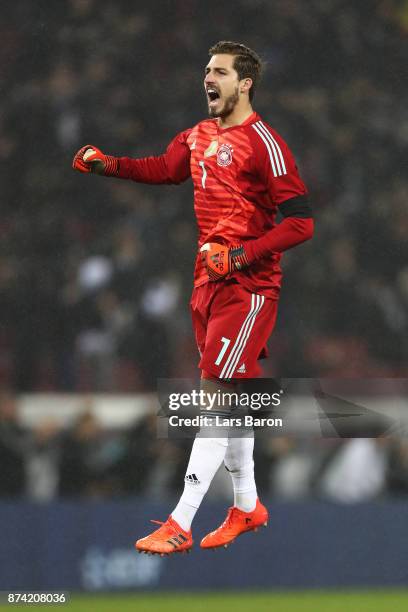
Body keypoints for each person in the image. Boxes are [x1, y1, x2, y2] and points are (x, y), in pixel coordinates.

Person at [73, 41, 313, 555]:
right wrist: (107, 165)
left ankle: (181, 521)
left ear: (244, 83)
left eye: (220, 71)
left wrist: (242, 257)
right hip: (208, 283)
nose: (209, 78)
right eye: (206, 70)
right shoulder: (198, 135)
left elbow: (301, 222)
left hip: (248, 288)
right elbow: (163, 168)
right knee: (234, 400)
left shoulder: (265, 144)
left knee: (215, 396)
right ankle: (247, 505)